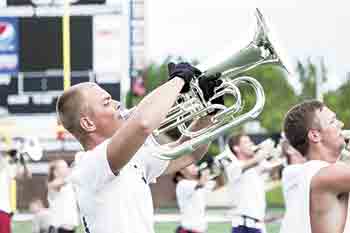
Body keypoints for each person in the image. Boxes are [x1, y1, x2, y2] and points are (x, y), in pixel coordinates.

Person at [56, 62, 223, 233]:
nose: (117, 104)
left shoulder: (133, 158)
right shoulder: (87, 165)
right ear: (88, 123)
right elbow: (143, 123)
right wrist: (178, 80)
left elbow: (189, 154)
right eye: (107, 103)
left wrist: (208, 112)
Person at [280, 100, 349, 233]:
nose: (341, 124)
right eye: (333, 121)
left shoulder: (310, 172)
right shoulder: (325, 174)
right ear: (315, 135)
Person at [224, 133, 276, 233]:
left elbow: (273, 169)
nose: (251, 144)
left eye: (250, 141)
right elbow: (255, 161)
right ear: (236, 148)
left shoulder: (256, 167)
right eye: (246, 142)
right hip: (243, 226)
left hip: (258, 225)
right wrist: (264, 150)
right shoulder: (233, 166)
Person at [174, 162, 226, 233]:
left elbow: (220, 184)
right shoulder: (182, 184)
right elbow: (201, 184)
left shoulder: (197, 184)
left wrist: (220, 171)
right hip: (188, 230)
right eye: (190, 165)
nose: (195, 166)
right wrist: (206, 170)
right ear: (182, 171)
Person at [0, 148, 31, 233]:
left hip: (4, 211)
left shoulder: (5, 172)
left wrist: (22, 161)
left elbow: (26, 175)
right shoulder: (4, 169)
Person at [47, 160, 79, 233]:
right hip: (58, 229)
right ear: (55, 172)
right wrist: (74, 170)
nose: (67, 168)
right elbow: (60, 183)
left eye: (66, 166)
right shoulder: (52, 185)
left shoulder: (70, 184)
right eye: (63, 167)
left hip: (70, 229)